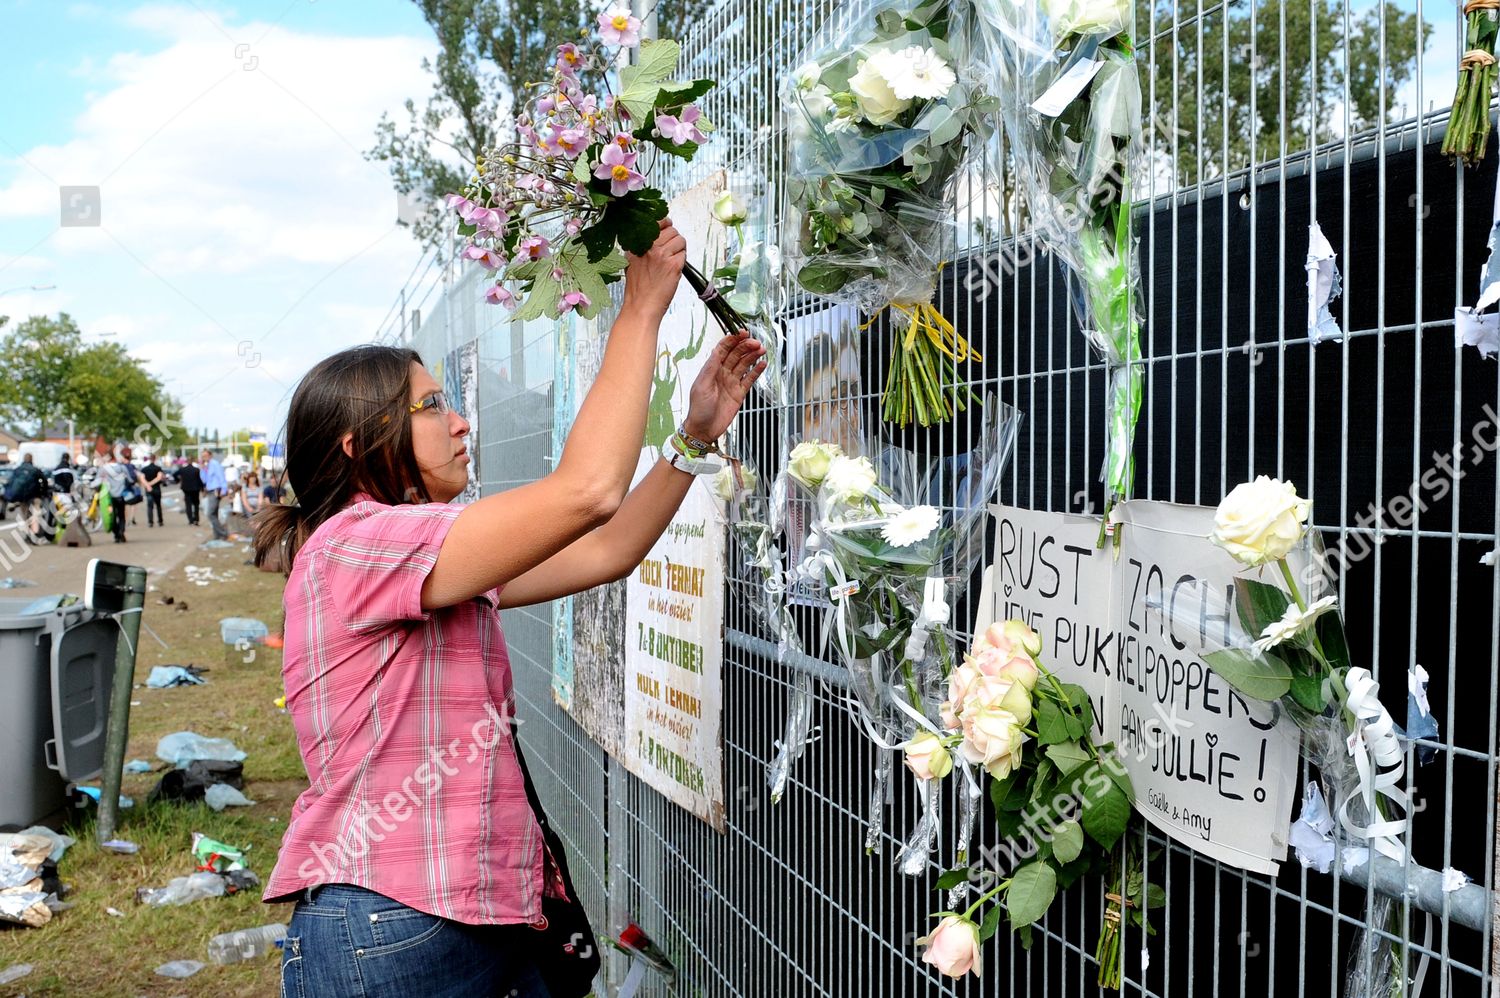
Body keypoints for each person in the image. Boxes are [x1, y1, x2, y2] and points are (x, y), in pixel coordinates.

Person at [257, 219, 765, 997]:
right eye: (431, 407)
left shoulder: (423, 556)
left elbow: (606, 550)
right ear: (359, 445)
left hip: (468, 921)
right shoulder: (355, 545)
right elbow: (588, 496)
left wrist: (694, 434)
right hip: (391, 926)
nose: (460, 421)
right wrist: (639, 312)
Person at [100, 447, 135, 543]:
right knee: (121, 515)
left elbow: (98, 481)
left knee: (112, 516)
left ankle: (116, 534)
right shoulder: (122, 468)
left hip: (109, 497)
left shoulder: (104, 469)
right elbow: (130, 480)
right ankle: (121, 532)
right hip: (121, 496)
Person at [200, 448, 228, 539]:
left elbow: (221, 476)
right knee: (214, 514)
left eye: (206, 456)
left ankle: (223, 533)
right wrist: (203, 469)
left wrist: (224, 490)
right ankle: (217, 535)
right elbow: (204, 480)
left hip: (216, 491)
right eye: (203, 456)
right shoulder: (206, 466)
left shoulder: (215, 464)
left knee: (210, 513)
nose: (204, 458)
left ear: (210, 455)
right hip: (210, 491)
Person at [139, 454, 165, 527]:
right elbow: (159, 477)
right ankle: (160, 521)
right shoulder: (158, 468)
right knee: (158, 505)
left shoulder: (144, 469)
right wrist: (151, 483)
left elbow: (142, 478)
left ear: (149, 459)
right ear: (155, 459)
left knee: (150, 506)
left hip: (148, 489)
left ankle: (150, 522)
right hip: (157, 489)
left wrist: (148, 485)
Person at [177, 455, 203, 525]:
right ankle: (196, 519)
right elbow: (199, 480)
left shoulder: (182, 469)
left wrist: (179, 480)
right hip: (195, 489)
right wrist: (202, 488)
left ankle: (190, 520)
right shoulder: (196, 470)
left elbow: (175, 474)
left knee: (188, 505)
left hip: (186, 489)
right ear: (192, 461)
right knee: (196, 504)